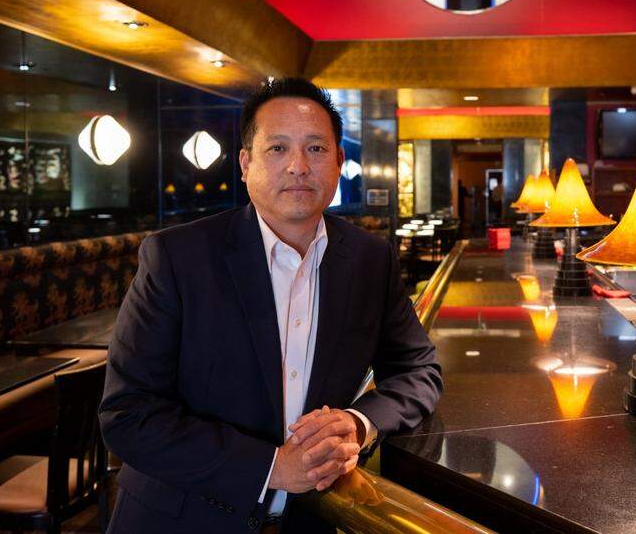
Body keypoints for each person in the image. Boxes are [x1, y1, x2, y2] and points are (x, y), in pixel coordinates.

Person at [100, 78, 442, 534]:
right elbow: (129, 414)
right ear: (245, 164)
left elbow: (419, 369)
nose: (299, 166)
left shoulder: (368, 259)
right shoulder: (177, 258)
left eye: (316, 149)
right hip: (181, 518)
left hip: (313, 520)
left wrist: (358, 424)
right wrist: (270, 467)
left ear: (339, 162)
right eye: (277, 148)